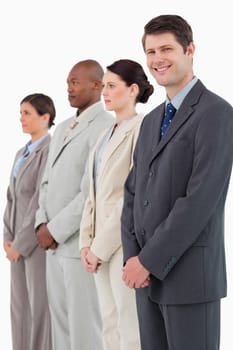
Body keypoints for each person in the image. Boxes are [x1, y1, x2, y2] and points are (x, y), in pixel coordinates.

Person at [121, 14, 233, 350]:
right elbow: (132, 193)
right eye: (151, 51)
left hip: (188, 279)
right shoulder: (152, 119)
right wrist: (133, 259)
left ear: (190, 50)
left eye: (166, 48)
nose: (158, 59)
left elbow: (200, 201)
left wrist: (148, 261)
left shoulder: (216, 113)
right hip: (145, 280)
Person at [35, 59, 114, 350]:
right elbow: (47, 181)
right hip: (51, 248)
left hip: (77, 246)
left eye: (75, 82)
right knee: (60, 328)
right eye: (68, 82)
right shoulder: (64, 127)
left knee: (85, 328)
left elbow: (91, 191)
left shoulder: (106, 126)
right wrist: (40, 224)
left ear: (97, 85)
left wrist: (54, 230)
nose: (69, 88)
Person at [79, 59, 154, 350]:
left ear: (133, 89)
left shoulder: (142, 128)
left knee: (128, 326)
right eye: (104, 86)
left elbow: (130, 196)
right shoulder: (103, 135)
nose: (105, 92)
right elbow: (92, 193)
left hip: (122, 243)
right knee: (108, 325)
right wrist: (85, 242)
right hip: (97, 245)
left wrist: (99, 247)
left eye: (112, 86)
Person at [3, 93, 56, 350]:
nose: (21, 118)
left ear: (45, 117)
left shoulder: (50, 151)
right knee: (19, 308)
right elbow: (11, 198)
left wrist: (20, 244)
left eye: (27, 113)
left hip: (36, 243)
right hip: (16, 243)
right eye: (21, 112)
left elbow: (38, 201)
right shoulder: (19, 153)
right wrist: (6, 239)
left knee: (39, 308)